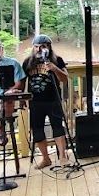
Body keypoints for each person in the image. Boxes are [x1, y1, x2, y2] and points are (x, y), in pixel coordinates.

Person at [21, 35, 69, 169]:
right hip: (35, 101)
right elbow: (22, 82)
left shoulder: (57, 60)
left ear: (48, 47)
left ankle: (62, 157)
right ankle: (46, 159)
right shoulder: (28, 62)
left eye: (42, 46)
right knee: (37, 130)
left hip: (53, 99)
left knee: (58, 128)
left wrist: (54, 68)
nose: (38, 49)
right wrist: (22, 99)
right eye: (36, 46)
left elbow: (64, 78)